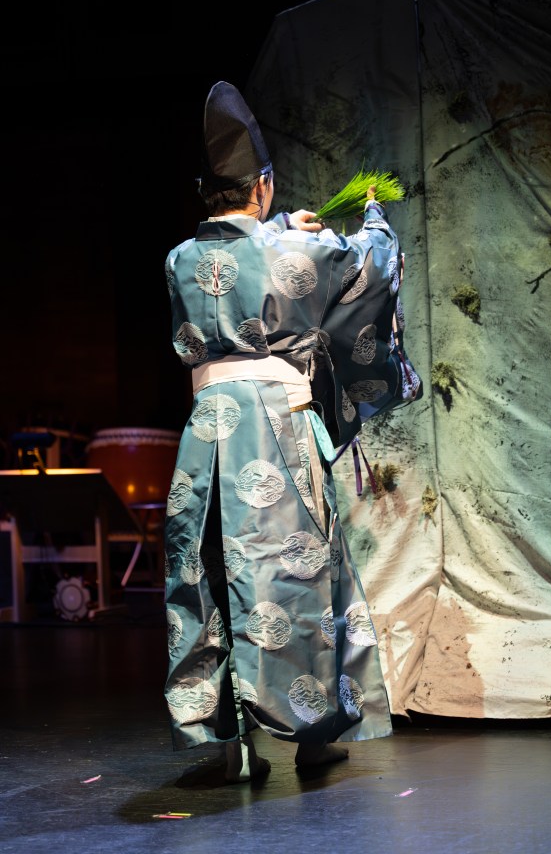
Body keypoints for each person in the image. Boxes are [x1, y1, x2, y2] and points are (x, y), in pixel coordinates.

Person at [163, 81, 422, 783]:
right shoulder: (298, 250)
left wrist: (281, 230)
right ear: (263, 186)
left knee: (206, 572)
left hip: (206, 432)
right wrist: (373, 218)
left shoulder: (178, 260)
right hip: (275, 426)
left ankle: (225, 743)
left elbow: (238, 265)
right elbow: (370, 264)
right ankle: (312, 734)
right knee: (298, 570)